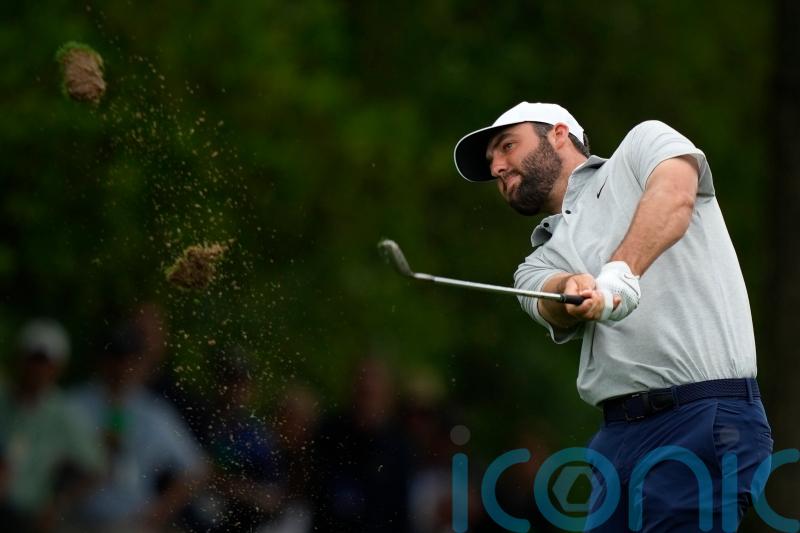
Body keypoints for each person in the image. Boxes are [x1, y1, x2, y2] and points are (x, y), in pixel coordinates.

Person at [453, 102, 772, 531]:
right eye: (492, 161)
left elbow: (675, 195)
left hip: (703, 415)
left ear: (559, 134)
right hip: (617, 440)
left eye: (507, 146)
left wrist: (621, 273)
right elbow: (548, 299)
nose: (497, 166)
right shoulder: (535, 263)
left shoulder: (642, 145)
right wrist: (571, 290)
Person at [0, 319, 103, 531]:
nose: (37, 369)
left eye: (44, 362)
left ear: (57, 367)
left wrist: (58, 503)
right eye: (33, 359)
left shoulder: (63, 415)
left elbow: (95, 467)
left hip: (27, 517)